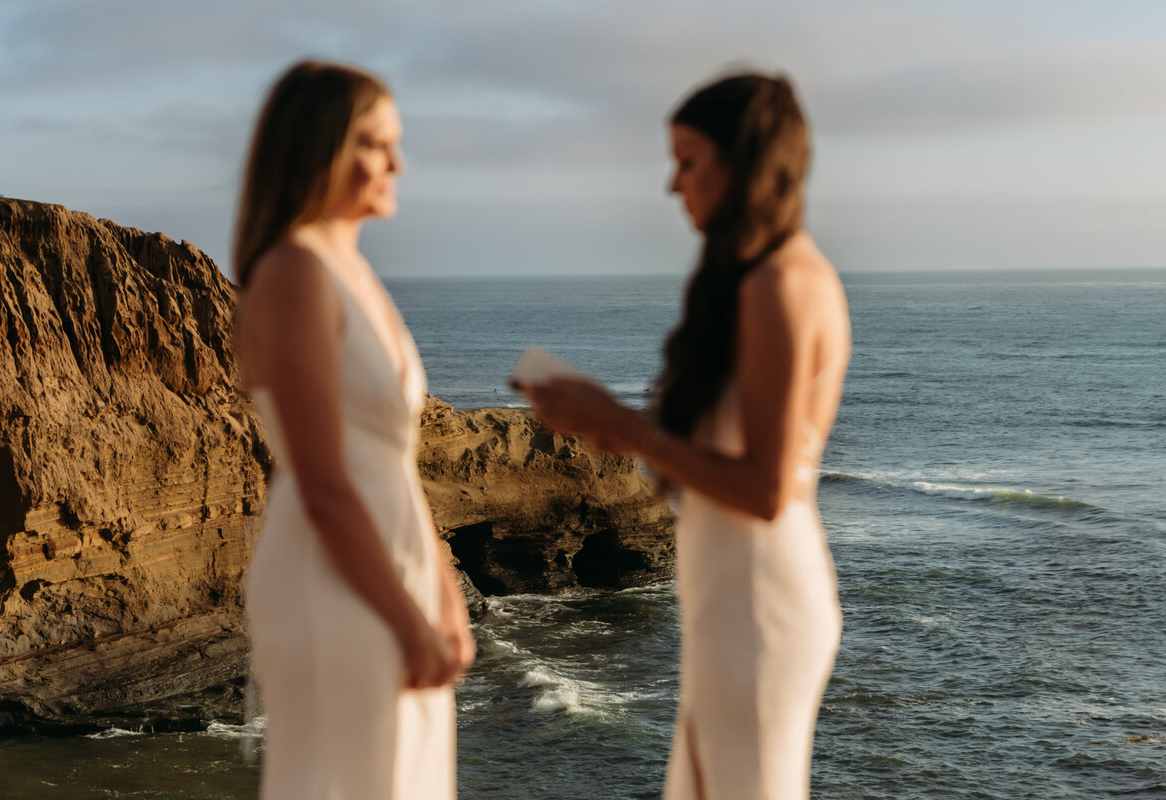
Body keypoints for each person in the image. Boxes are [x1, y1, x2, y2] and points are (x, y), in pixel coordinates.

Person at [525, 72, 848, 800]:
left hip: (762, 597)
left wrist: (629, 428)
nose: (673, 187)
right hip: (731, 592)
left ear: (745, 164)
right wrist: (614, 428)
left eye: (688, 161)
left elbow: (768, 489)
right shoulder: (757, 280)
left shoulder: (782, 286)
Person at [233, 59, 474, 800]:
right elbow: (324, 483)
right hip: (332, 575)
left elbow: (396, 465)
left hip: (390, 562)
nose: (398, 162)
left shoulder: (355, 273)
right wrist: (408, 621)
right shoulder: (295, 273)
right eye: (375, 142)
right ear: (319, 148)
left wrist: (447, 598)